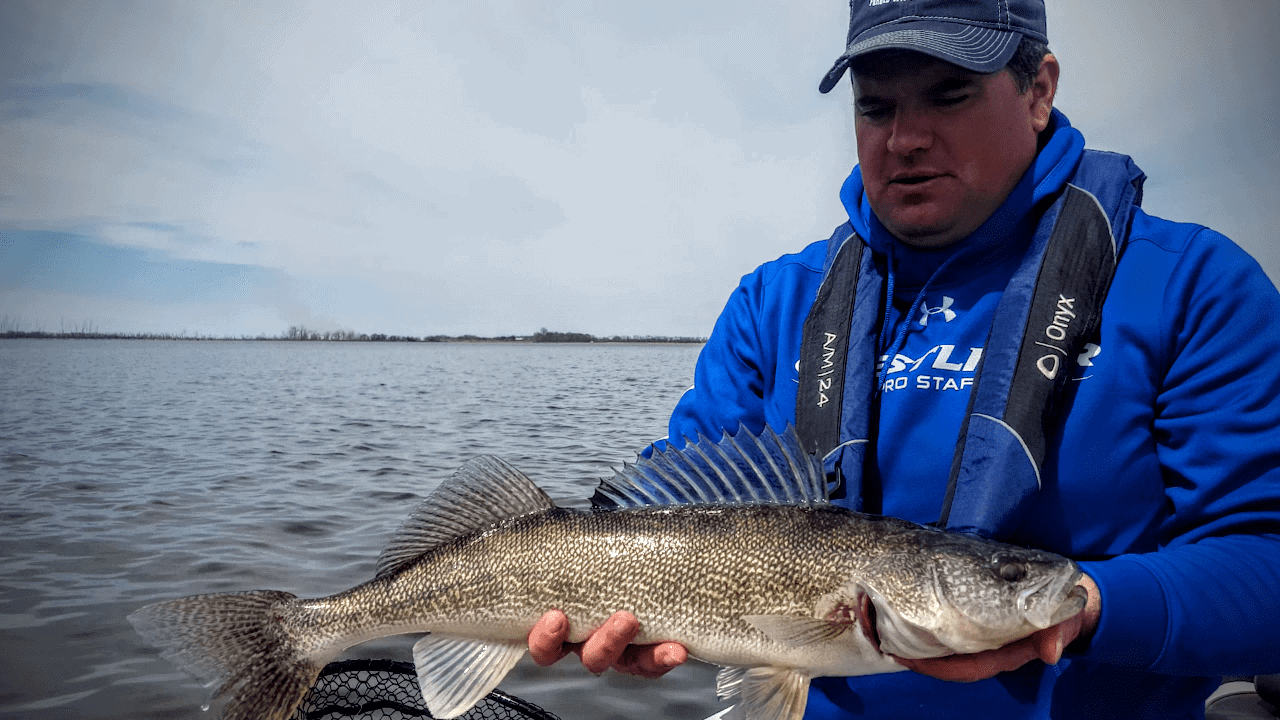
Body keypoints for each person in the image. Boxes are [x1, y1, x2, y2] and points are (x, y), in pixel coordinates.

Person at [527, 0, 1280, 717]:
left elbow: (1267, 566)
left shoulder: (1191, 286)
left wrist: (1088, 604)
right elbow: (668, 511)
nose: (905, 138)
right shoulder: (772, 304)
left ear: (1038, 90)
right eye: (876, 106)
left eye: (949, 95)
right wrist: (622, 616)